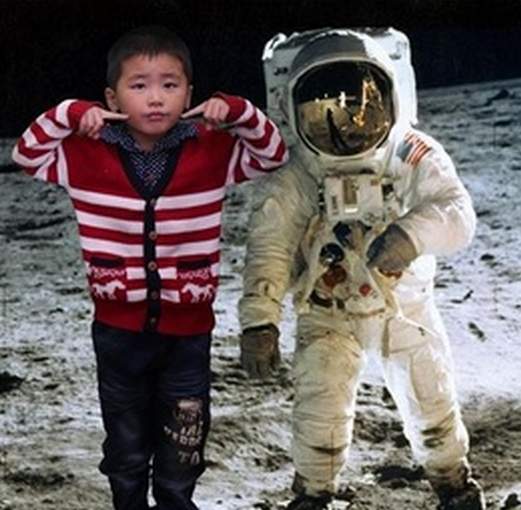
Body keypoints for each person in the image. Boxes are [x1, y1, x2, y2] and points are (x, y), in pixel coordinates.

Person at [12, 25, 287, 510]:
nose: (156, 98)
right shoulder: (82, 152)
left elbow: (272, 153)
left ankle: (177, 501)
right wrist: (72, 113)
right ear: (111, 97)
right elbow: (26, 153)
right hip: (118, 334)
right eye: (139, 85)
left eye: (170, 85)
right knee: (125, 438)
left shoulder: (212, 149)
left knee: (185, 432)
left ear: (189, 95)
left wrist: (236, 110)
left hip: (189, 335)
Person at [238, 27, 485, 510]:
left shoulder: (409, 153)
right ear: (295, 113)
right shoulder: (298, 175)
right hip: (326, 310)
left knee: (431, 403)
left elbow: (457, 212)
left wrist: (412, 236)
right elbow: (270, 246)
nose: (346, 127)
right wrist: (259, 321)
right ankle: (313, 495)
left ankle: (454, 486)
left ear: (390, 99)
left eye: (361, 109)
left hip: (403, 306)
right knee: (320, 413)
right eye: (322, 114)